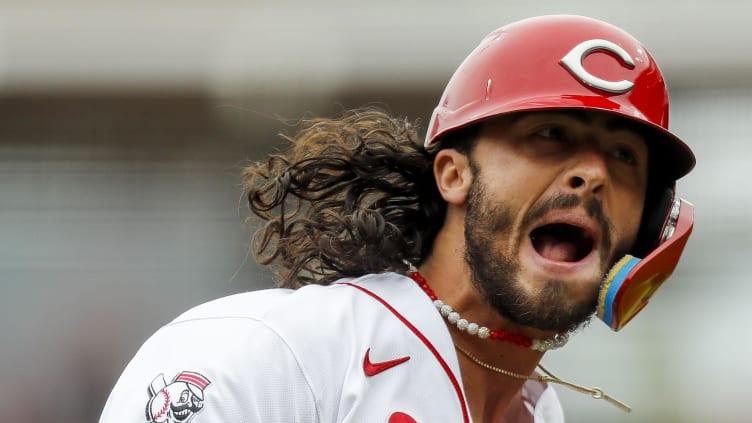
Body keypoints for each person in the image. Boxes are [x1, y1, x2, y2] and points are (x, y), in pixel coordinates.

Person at [100, 14, 695, 423]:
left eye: (624, 157)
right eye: (550, 134)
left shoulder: (542, 411)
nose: (592, 174)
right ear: (454, 174)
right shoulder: (270, 350)